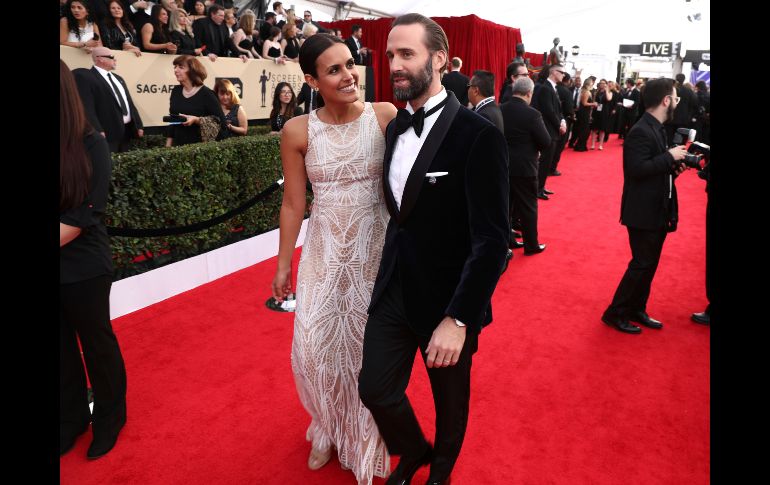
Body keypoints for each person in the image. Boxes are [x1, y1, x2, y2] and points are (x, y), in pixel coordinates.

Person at [357, 14, 509, 485]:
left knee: (449, 401)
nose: (396, 65)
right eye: (391, 57)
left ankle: (439, 474)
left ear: (439, 59)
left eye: (408, 54)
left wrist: (459, 318)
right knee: (375, 389)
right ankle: (413, 450)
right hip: (395, 289)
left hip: (448, 300)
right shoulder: (395, 129)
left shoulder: (478, 135)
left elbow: (493, 241)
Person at [271, 33, 398, 485]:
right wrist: (284, 264)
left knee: (365, 356)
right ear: (311, 79)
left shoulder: (384, 117)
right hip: (324, 254)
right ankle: (325, 424)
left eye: (350, 65)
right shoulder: (298, 131)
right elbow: (292, 203)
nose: (348, 76)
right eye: (334, 70)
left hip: (374, 255)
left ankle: (364, 435)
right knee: (314, 350)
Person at [60, 59, 127, 460]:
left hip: (84, 266)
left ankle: (109, 417)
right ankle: (70, 420)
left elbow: (84, 215)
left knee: (96, 344)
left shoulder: (91, 142)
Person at [601, 78, 690, 334]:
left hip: (657, 206)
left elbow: (655, 167)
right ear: (666, 100)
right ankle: (615, 312)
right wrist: (668, 157)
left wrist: (673, 168)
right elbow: (636, 170)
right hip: (642, 210)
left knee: (649, 263)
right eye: (676, 98)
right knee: (641, 263)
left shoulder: (657, 127)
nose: (677, 102)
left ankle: (636, 307)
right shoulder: (641, 130)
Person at [500, 76, 551, 255]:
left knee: (505, 207)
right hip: (525, 168)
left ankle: (508, 241)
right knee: (528, 207)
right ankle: (531, 245)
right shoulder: (532, 114)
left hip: (503, 166)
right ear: (529, 93)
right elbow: (545, 141)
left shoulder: (500, 109)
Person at [73, 47, 145, 152]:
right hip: (107, 133)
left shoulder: (118, 78)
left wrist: (138, 125)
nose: (115, 60)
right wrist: (97, 129)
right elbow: (87, 107)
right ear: (100, 59)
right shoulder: (88, 77)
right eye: (111, 57)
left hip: (126, 132)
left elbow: (129, 103)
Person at [165, 55, 225, 146]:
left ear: (192, 71)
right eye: (175, 67)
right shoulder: (176, 91)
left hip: (199, 149)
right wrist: (168, 146)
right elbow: (173, 121)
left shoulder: (207, 94)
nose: (176, 70)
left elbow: (221, 123)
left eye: (181, 67)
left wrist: (197, 120)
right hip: (178, 147)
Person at [531, 64, 566, 198]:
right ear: (553, 72)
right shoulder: (546, 88)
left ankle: (541, 187)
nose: (564, 75)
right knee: (544, 162)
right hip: (548, 131)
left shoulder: (552, 88)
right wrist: (559, 125)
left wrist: (562, 120)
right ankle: (537, 189)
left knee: (547, 162)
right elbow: (548, 111)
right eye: (562, 72)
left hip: (552, 130)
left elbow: (556, 109)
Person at [572, 78, 597, 152]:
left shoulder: (586, 91)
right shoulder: (586, 92)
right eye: (592, 82)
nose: (593, 84)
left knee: (585, 130)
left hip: (585, 112)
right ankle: (580, 146)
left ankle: (581, 145)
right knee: (585, 130)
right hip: (584, 113)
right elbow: (584, 103)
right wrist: (593, 103)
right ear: (589, 83)